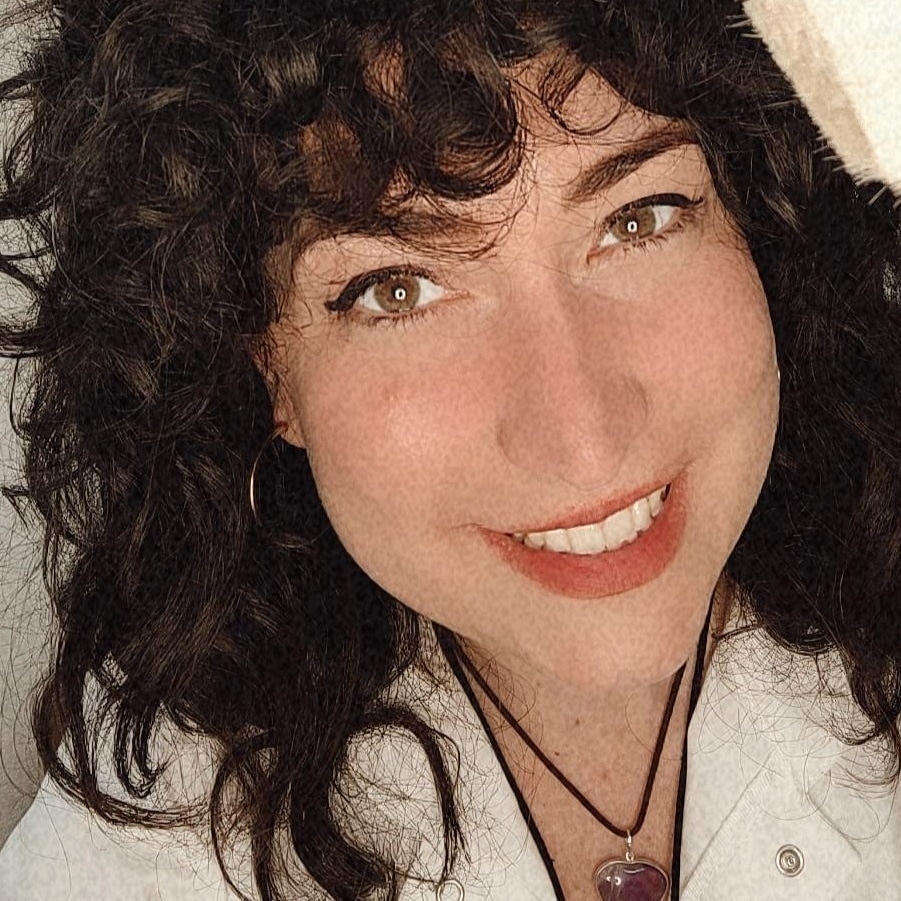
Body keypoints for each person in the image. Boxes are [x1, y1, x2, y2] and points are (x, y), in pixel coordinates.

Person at [0, 1, 900, 899]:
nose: (581, 442)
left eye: (638, 217)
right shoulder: (144, 854)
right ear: (262, 366)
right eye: (396, 290)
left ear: (759, 213)